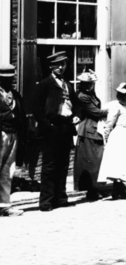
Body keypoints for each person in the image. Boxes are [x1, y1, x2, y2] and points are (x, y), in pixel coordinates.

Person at [36, 51, 78, 211]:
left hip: (66, 127)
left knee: (63, 163)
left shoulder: (68, 84)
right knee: (49, 165)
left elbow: (77, 104)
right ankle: (46, 201)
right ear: (51, 66)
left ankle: (61, 198)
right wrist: (48, 125)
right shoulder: (45, 84)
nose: (61, 67)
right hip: (52, 128)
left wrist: (77, 116)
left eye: (63, 64)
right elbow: (37, 109)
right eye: (57, 65)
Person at [98, 83, 126, 200]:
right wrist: (106, 137)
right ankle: (119, 190)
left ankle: (117, 190)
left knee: (125, 162)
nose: (123, 97)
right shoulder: (116, 107)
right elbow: (110, 122)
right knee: (118, 161)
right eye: (120, 94)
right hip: (117, 135)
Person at [72, 70, 108, 201]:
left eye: (91, 83)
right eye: (87, 83)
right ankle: (91, 190)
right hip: (88, 130)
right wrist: (114, 109)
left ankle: (94, 189)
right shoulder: (83, 96)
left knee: (95, 160)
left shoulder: (90, 94)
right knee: (91, 161)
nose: (89, 85)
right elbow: (96, 112)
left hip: (94, 129)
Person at [0, 64, 27, 217]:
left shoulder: (15, 95)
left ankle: (4, 205)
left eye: (10, 78)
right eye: (4, 78)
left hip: (13, 134)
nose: (8, 81)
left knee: (7, 170)